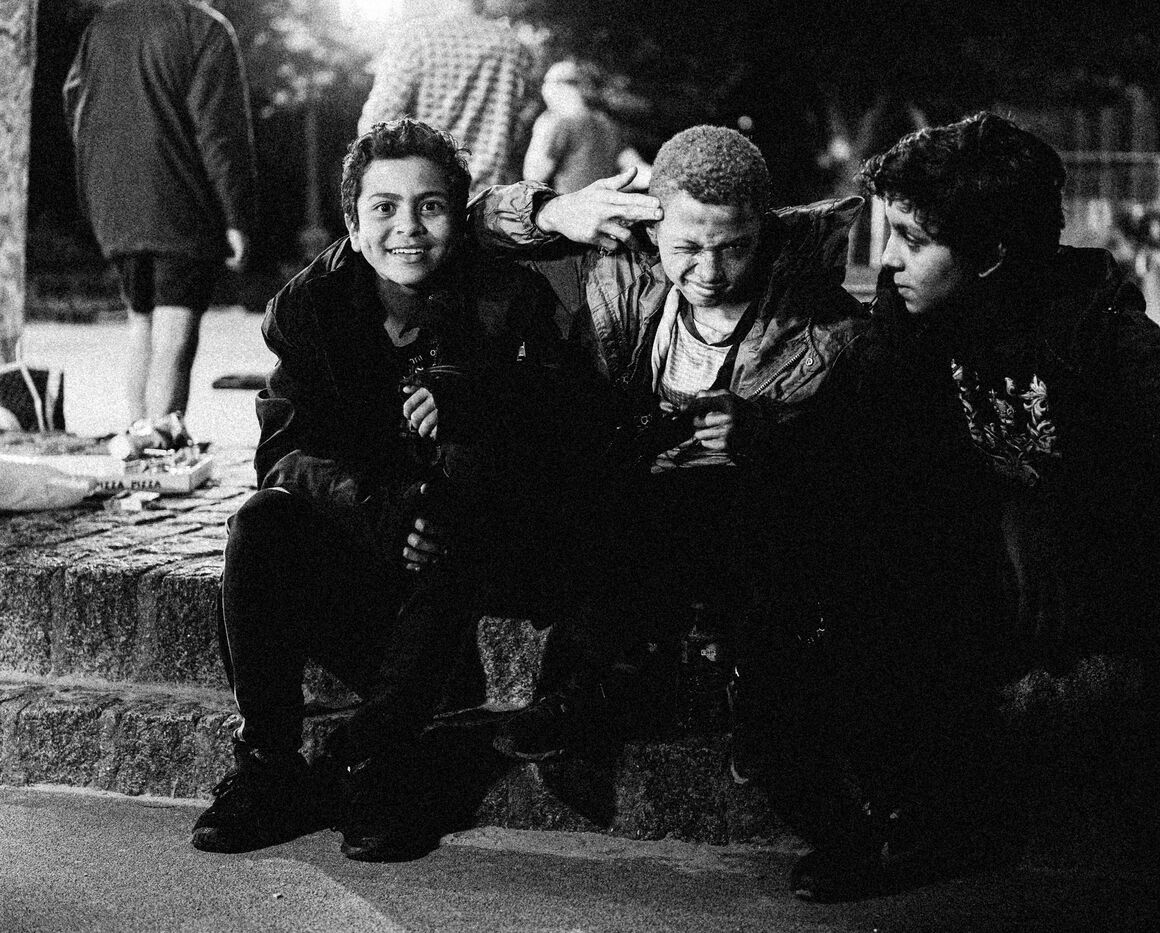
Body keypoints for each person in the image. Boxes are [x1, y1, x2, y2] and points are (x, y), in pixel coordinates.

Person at [797, 111, 1160, 903]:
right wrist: (1005, 507)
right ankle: (937, 819)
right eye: (890, 234)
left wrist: (1058, 505)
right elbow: (870, 450)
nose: (888, 259)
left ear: (989, 254)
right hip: (998, 565)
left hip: (1114, 563)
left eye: (913, 239)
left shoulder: (1091, 319)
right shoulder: (908, 314)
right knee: (862, 546)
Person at [191, 119, 569, 862]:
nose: (408, 228)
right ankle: (268, 764)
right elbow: (283, 453)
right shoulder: (313, 305)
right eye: (385, 207)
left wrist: (474, 407)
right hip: (367, 551)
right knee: (260, 521)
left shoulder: (508, 298)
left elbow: (557, 429)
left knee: (457, 515)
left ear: (458, 216)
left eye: (430, 206)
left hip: (469, 560)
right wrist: (376, 509)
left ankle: (377, 762)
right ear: (354, 222)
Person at [469, 125, 869, 761]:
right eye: (687, 246)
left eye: (733, 248)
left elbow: (853, 465)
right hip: (625, 502)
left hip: (743, 523)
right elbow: (467, 225)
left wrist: (762, 435)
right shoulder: (624, 270)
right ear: (655, 228)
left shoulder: (822, 325)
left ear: (762, 229)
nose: (708, 271)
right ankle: (578, 695)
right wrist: (551, 211)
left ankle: (651, 695)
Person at [63, 0, 256, 448]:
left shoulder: (102, 27)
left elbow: (75, 104)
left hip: (115, 200)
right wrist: (236, 214)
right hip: (180, 201)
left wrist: (97, 183)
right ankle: (162, 442)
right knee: (175, 330)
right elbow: (218, 129)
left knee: (141, 321)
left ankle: (137, 438)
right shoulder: (205, 29)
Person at [358, 0, 530, 192]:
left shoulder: (416, 37)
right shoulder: (511, 46)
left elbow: (375, 123)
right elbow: (516, 130)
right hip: (489, 195)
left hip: (425, 194)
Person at [523, 60, 646, 194]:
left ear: (561, 86)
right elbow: (636, 169)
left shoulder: (559, 123)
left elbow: (534, 176)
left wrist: (541, 131)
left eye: (547, 83)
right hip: (603, 202)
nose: (544, 91)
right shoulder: (606, 123)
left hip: (571, 203)